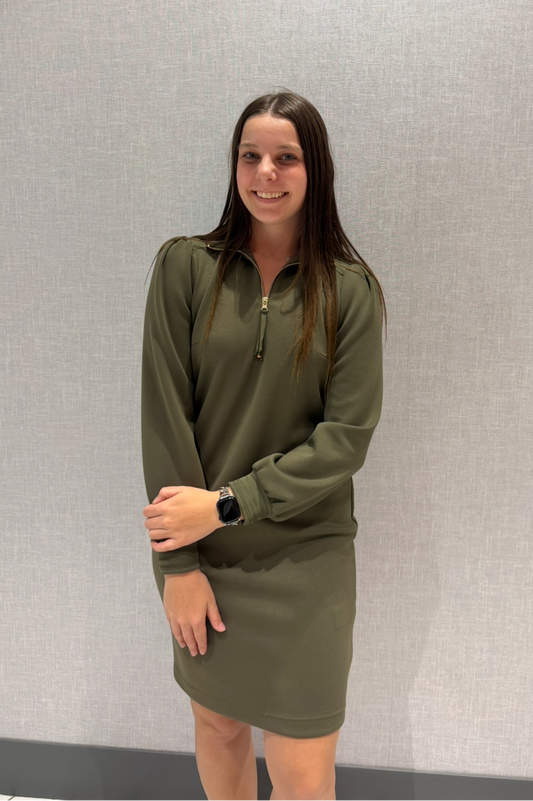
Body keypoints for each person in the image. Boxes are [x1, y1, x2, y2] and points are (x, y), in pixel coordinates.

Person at [141, 90, 385, 801]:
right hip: (202, 556)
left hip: (306, 560)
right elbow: (164, 422)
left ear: (316, 172)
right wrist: (178, 564)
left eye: (286, 157)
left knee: (303, 769)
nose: (265, 173)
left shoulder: (351, 293)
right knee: (217, 727)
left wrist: (225, 504)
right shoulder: (183, 269)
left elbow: (343, 442)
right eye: (250, 156)